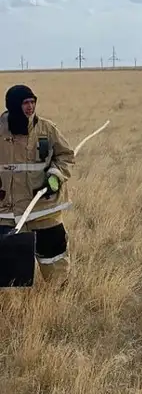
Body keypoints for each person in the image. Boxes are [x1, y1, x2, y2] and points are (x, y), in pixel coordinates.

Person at [0, 84, 75, 286]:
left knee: (54, 256)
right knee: (9, 263)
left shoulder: (47, 129)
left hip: (43, 207)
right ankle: (18, 300)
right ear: (13, 105)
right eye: (25, 102)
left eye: (33, 102)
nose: (30, 107)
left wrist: (55, 176)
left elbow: (66, 156)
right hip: (7, 211)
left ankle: (58, 293)